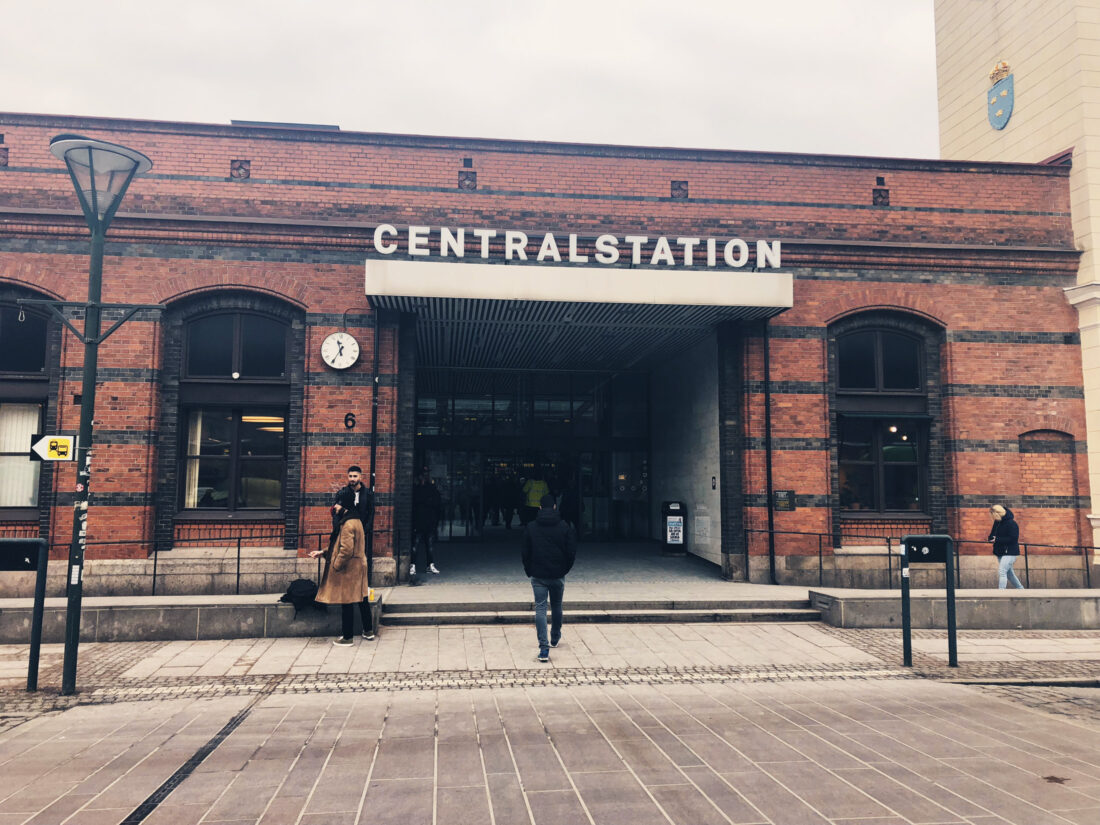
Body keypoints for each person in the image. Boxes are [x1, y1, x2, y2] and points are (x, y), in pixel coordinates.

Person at [522, 493, 577, 663]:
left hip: (538, 575)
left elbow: (525, 552)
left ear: (539, 508)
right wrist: (564, 569)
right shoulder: (564, 526)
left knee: (540, 609)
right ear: (555, 507)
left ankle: (544, 647)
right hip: (557, 574)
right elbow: (571, 552)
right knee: (557, 605)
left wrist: (529, 570)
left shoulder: (531, 527)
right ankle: (555, 636)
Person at [311, 507, 374, 645]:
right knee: (362, 598)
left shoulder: (347, 524)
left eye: (338, 504)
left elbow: (345, 550)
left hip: (350, 568)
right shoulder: (356, 520)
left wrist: (336, 566)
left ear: (345, 505)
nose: (335, 507)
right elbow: (340, 546)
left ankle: (347, 637)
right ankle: (368, 630)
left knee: (347, 601)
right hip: (359, 565)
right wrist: (322, 552)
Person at [410, 468, 442, 576]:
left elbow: (437, 503)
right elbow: (416, 502)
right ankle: (412, 565)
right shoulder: (416, 489)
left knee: (429, 544)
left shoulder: (431, 488)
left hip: (428, 520)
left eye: (426, 474)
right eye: (423, 475)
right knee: (416, 544)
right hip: (419, 520)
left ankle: (430, 565)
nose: (425, 477)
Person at [988, 504, 1025, 589]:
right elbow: (992, 534)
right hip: (1000, 551)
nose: (993, 518)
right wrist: (991, 538)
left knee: (1002, 571)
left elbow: (1013, 539)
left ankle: (1001, 593)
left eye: (994, 516)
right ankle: (1021, 589)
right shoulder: (997, 522)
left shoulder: (1012, 523)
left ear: (998, 514)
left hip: (1010, 552)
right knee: (1009, 573)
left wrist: (997, 539)